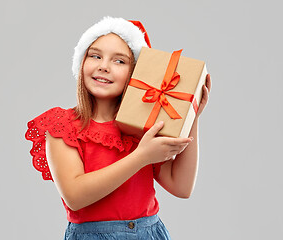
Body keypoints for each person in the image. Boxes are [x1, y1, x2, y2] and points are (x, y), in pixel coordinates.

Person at [25, 16, 211, 240]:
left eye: (119, 61)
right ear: (81, 62)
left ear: (135, 74)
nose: (104, 66)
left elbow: (181, 187)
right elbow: (75, 196)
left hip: (149, 232)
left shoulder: (141, 127)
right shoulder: (62, 125)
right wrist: (141, 157)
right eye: (95, 56)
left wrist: (192, 117)